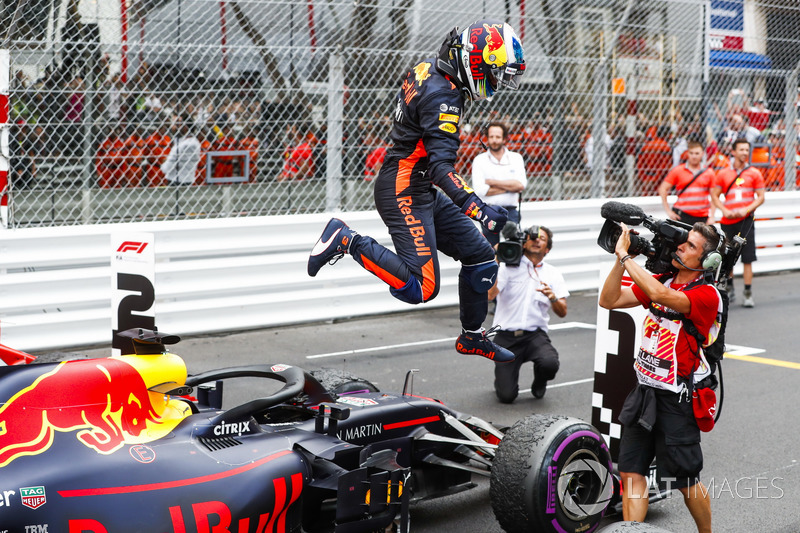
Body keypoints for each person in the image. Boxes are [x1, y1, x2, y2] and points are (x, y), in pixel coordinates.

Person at [307, 20, 526, 362]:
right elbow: (442, 168)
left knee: (483, 258)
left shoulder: (432, 69)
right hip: (403, 188)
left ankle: (472, 337)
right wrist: (479, 209)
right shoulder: (445, 96)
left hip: (415, 183)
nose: (495, 83)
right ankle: (347, 239)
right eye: (494, 73)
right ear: (474, 61)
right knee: (420, 288)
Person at [599, 222, 723, 533]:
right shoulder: (664, 277)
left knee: (685, 481)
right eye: (684, 242)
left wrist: (627, 258)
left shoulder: (708, 294)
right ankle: (632, 531)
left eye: (691, 246)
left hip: (679, 398)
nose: (681, 247)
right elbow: (609, 300)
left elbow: (659, 295)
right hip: (644, 392)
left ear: (707, 261)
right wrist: (618, 258)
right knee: (631, 473)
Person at [488, 225, 568, 402]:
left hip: (534, 336)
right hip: (505, 336)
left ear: (547, 249)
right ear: (524, 243)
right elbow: (489, 295)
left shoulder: (553, 273)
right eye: (532, 237)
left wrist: (553, 297)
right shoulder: (506, 267)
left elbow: (563, 311)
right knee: (506, 396)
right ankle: (502, 380)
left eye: (542, 238)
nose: (536, 240)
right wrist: (495, 261)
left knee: (550, 363)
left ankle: (540, 380)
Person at [710, 138, 766, 307]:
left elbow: (761, 197)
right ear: (733, 152)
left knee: (748, 258)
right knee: (728, 256)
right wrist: (724, 210)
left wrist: (747, 209)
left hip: (746, 222)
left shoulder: (754, 173)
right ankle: (729, 287)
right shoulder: (724, 173)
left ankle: (748, 292)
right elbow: (714, 195)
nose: (744, 153)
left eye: (746, 149)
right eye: (741, 149)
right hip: (728, 221)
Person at [471, 122, 527, 246]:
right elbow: (480, 190)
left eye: (497, 137)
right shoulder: (480, 160)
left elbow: (521, 185)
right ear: (487, 138)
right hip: (488, 210)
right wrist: (510, 188)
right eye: (491, 137)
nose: (494, 140)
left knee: (513, 248)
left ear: (504, 138)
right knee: (490, 249)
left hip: (511, 211)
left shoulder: (516, 158)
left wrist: (492, 183)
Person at [658, 140, 716, 226]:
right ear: (687, 153)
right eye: (691, 153)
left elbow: (714, 195)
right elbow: (663, 188)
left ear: (702, 154)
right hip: (682, 215)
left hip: (702, 216)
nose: (694, 156)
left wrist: (712, 216)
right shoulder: (678, 170)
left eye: (697, 153)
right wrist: (669, 211)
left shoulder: (709, 172)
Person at [162, 115, 202, 186]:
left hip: (176, 182)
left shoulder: (182, 146)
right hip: (188, 180)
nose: (173, 127)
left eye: (177, 124)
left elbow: (166, 168)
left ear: (185, 127)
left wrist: (165, 161)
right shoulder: (195, 142)